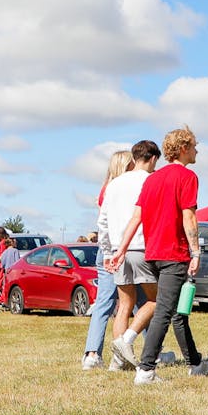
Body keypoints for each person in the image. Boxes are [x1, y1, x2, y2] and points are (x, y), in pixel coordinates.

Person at [110, 127, 208, 385]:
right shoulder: (187, 177)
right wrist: (196, 251)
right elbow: (188, 216)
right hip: (173, 254)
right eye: (193, 146)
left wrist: (121, 250)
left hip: (153, 254)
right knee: (165, 312)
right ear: (182, 148)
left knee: (177, 311)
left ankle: (195, 363)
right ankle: (146, 370)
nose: (196, 150)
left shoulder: (152, 179)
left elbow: (137, 217)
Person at [99, 140, 161, 371]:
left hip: (118, 249)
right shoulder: (151, 181)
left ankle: (117, 361)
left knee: (125, 303)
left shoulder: (113, 184)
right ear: (153, 158)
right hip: (143, 246)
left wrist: (108, 252)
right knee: (157, 300)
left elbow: (102, 221)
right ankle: (126, 342)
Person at [81, 149, 134, 370]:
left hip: (107, 249)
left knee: (105, 301)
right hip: (121, 247)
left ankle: (92, 353)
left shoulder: (106, 190)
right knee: (141, 300)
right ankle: (155, 352)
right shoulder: (124, 189)